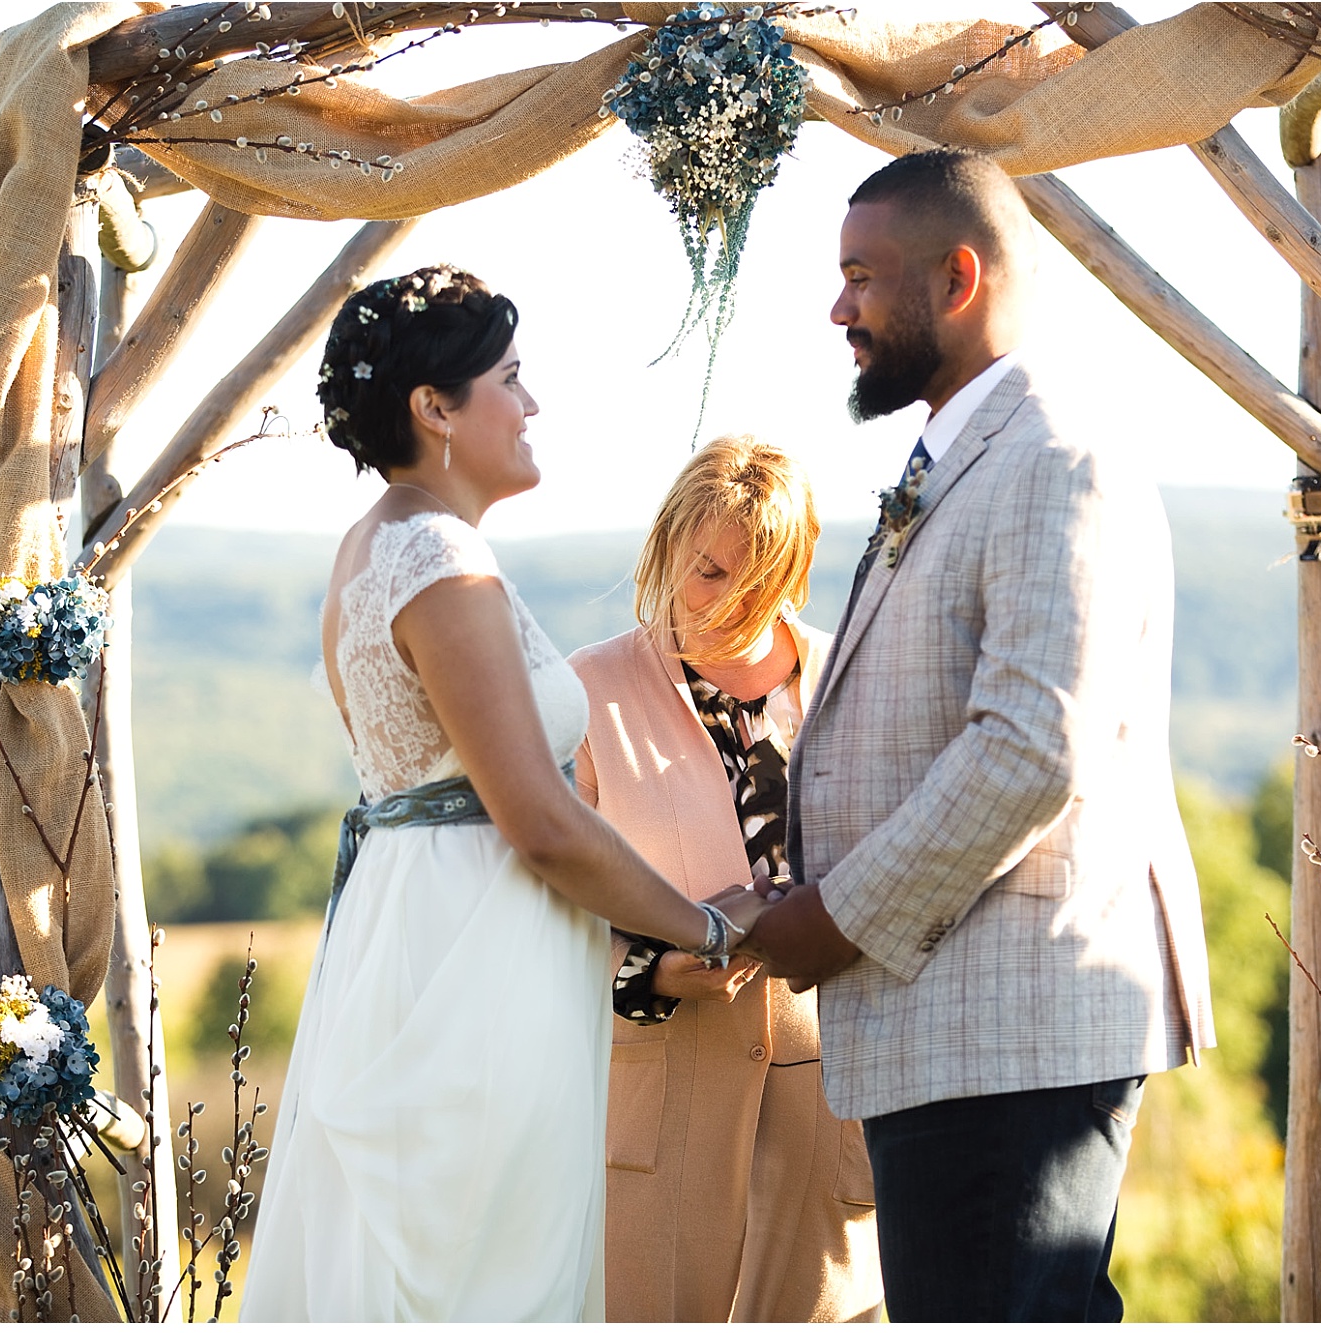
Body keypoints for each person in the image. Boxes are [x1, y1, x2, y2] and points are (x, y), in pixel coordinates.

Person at [741, 149, 1217, 1322]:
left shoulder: (1053, 460)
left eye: (860, 275)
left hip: (1011, 1021)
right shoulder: (960, 457)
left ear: (956, 278)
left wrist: (835, 916)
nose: (836, 307)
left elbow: (1026, 751)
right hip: (954, 1024)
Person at [242, 266, 764, 1322]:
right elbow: (537, 821)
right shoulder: (434, 555)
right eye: (511, 379)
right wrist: (707, 929)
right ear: (434, 408)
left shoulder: (379, 544)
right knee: (481, 1269)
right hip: (471, 956)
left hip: (424, 924)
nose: (532, 406)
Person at [567, 437, 884, 1322]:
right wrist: (653, 970)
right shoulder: (584, 696)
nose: (724, 605)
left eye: (756, 585)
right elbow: (542, 910)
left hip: (833, 1122)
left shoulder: (853, 677)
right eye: (706, 571)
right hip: (659, 1117)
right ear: (667, 541)